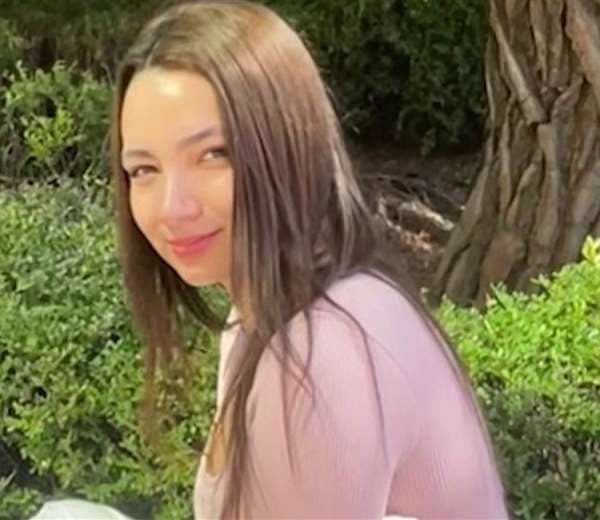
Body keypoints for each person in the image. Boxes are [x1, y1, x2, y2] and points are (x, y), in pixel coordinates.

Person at [110, 1, 510, 518]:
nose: (173, 207)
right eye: (144, 170)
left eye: (214, 155)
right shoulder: (275, 308)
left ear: (288, 146)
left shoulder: (322, 352)